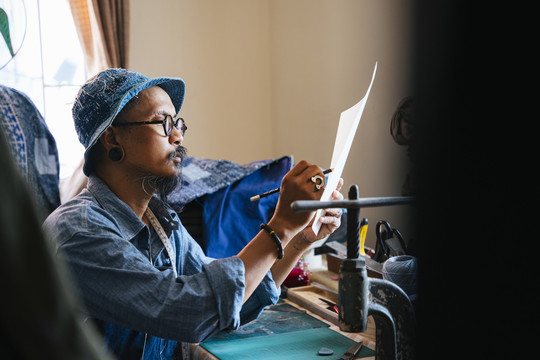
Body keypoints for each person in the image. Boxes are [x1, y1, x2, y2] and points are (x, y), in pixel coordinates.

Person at [43, 68, 344, 360]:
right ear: (112, 139)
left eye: (178, 124)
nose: (178, 137)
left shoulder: (160, 221)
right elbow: (194, 310)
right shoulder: (78, 232)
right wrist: (279, 227)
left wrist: (300, 238)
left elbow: (233, 298)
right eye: (163, 123)